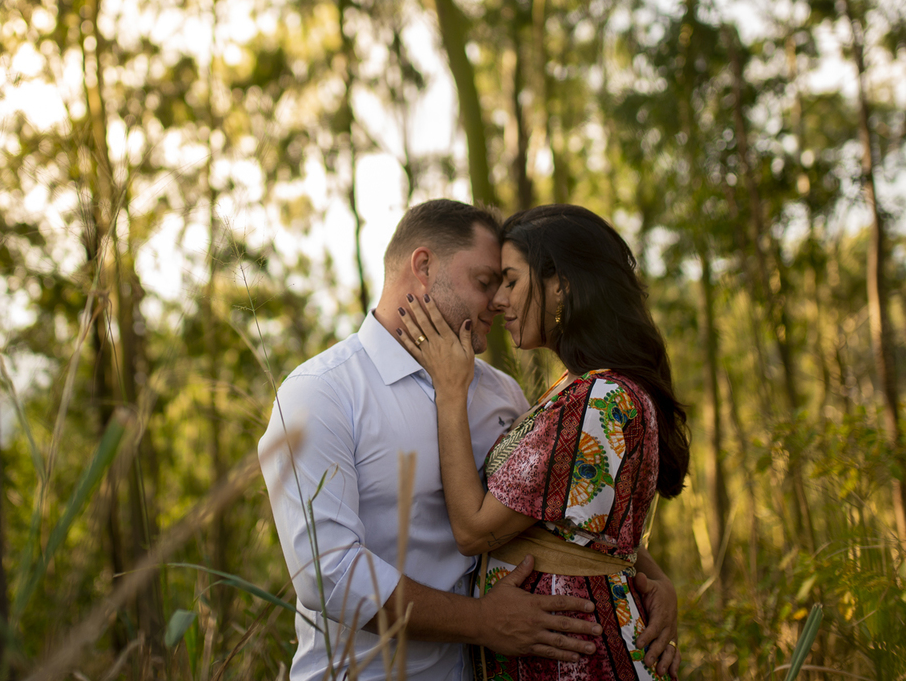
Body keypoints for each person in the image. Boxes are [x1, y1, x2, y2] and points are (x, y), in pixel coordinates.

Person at [259, 200, 679, 681]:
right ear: (423, 268)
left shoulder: (502, 392)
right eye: (485, 281)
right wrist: (482, 622)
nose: (497, 301)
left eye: (507, 282)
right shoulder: (321, 393)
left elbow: (552, 511)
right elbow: (327, 575)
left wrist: (648, 575)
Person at [396, 204, 690, 680]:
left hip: (583, 661)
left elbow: (473, 532)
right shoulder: (576, 392)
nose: (497, 300)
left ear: (562, 286)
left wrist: (450, 391)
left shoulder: (597, 398)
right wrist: (655, 578)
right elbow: (580, 529)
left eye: (511, 282)